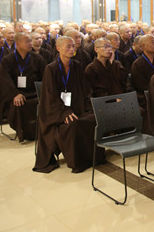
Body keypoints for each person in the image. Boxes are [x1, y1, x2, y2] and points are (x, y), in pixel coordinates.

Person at [33, 36, 102, 173]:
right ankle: (76, 161)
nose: (72, 49)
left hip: (77, 107)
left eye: (73, 46)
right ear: (58, 48)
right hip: (56, 111)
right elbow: (50, 96)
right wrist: (64, 112)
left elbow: (85, 89)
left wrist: (89, 106)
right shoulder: (51, 69)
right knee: (72, 123)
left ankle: (93, 157)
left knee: (93, 118)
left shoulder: (78, 66)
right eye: (68, 46)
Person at [0, 32, 46, 142]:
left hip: (34, 92)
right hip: (16, 93)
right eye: (27, 41)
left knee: (42, 102)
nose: (30, 43)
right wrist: (14, 94)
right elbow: (5, 80)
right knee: (20, 104)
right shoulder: (7, 60)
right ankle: (22, 132)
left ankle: (40, 131)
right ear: (18, 43)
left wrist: (42, 93)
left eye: (31, 41)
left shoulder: (37, 58)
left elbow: (45, 77)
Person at [130, 34, 154, 109]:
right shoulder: (137, 64)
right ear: (143, 46)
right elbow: (140, 86)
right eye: (152, 42)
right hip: (145, 95)